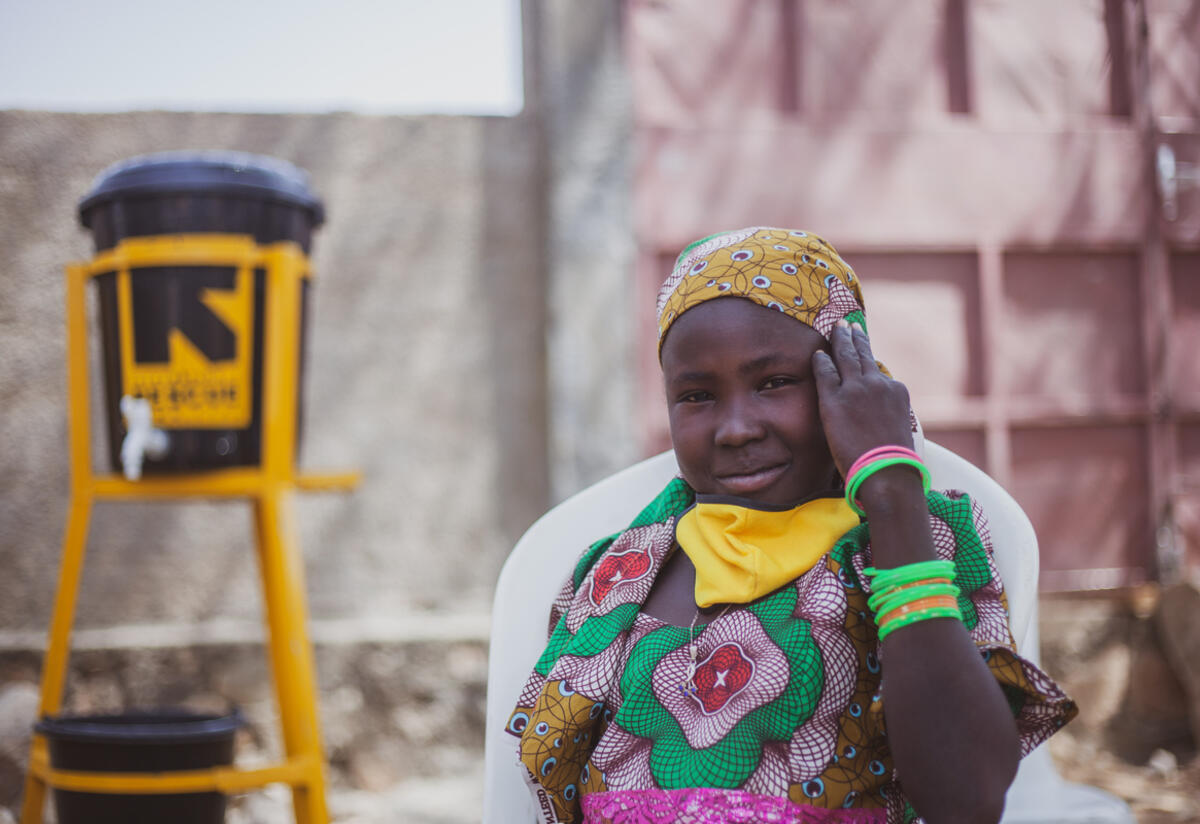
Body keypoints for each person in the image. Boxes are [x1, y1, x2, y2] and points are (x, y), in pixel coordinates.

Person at [506, 227, 1077, 824]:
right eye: (697, 395)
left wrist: (889, 492)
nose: (736, 429)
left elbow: (967, 799)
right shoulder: (622, 570)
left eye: (774, 383)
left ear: (853, 380)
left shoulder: (914, 538)